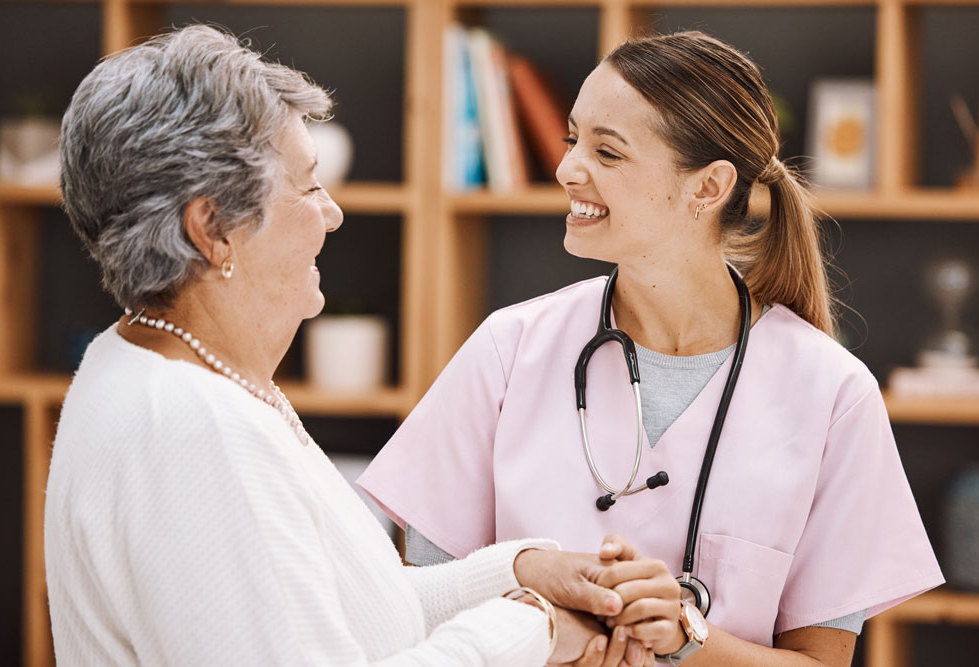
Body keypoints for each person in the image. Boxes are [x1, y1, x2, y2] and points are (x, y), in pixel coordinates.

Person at [44, 24, 666, 667]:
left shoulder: (141, 364)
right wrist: (529, 629)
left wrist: (523, 572)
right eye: (309, 186)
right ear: (213, 229)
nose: (333, 212)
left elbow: (357, 609)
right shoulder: (198, 431)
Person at [358, 31, 944, 666]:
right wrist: (543, 622)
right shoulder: (507, 351)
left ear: (708, 187)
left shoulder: (832, 393)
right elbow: (414, 608)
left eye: (607, 152)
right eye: (571, 139)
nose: (566, 169)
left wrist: (690, 636)